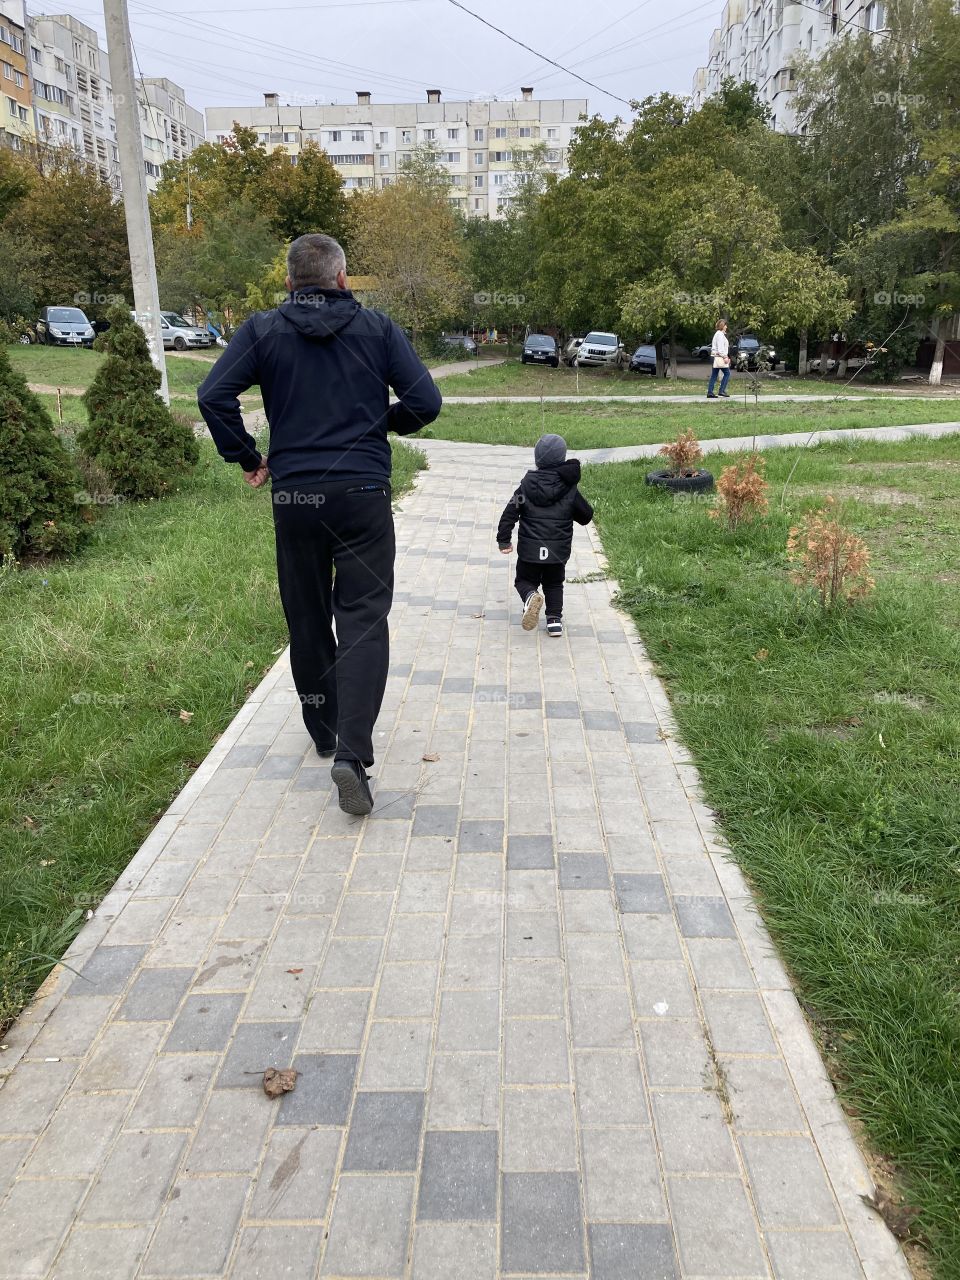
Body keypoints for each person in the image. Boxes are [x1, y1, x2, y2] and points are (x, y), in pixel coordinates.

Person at [197, 233, 442, 816]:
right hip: (361, 494)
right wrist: (383, 422)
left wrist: (249, 457)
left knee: (306, 615)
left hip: (297, 497)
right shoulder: (378, 328)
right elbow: (426, 402)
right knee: (362, 618)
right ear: (341, 278)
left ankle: (324, 730)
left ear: (290, 282)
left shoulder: (261, 330)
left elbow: (212, 395)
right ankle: (352, 756)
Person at [496, 433, 594, 638]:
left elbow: (510, 512)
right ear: (562, 457)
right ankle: (554, 621)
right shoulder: (569, 489)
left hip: (529, 551)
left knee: (523, 580)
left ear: (537, 458)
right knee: (554, 583)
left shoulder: (525, 487)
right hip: (557, 551)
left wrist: (504, 539)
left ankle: (530, 596)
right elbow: (586, 516)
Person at [707, 319, 732, 399]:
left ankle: (710, 392)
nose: (726, 327)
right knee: (727, 373)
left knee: (714, 375)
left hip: (715, 357)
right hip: (719, 357)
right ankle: (721, 391)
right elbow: (721, 349)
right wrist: (725, 357)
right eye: (725, 325)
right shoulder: (720, 335)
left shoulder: (719, 334)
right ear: (722, 326)